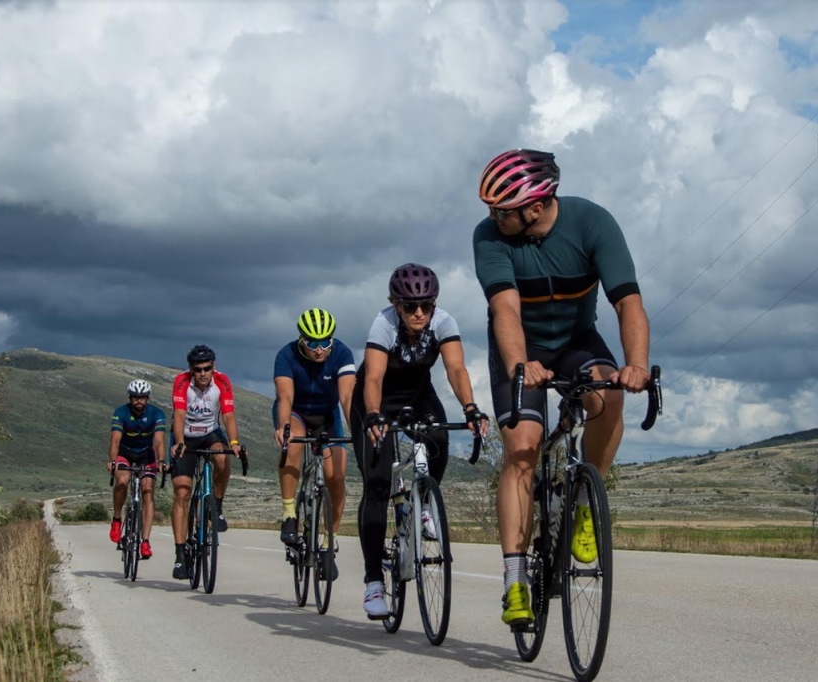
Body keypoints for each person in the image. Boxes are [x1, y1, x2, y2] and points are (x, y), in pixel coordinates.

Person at [473, 149, 651, 628]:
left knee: (607, 393)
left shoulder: (592, 222)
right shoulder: (489, 236)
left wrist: (635, 365)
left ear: (535, 206)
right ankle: (514, 579)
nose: (492, 218)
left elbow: (627, 301)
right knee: (523, 450)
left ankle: (585, 502)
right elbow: (505, 310)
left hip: (576, 340)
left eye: (501, 210)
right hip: (519, 349)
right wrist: (520, 364)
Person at [351, 263, 488, 620]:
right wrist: (373, 414)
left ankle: (425, 504)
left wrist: (470, 407)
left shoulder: (443, 321)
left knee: (439, 435)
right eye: (410, 306)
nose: (418, 313)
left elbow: (456, 369)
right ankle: (372, 584)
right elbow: (375, 377)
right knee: (378, 485)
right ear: (395, 303)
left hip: (417, 394)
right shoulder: (383, 324)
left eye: (425, 306)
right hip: (375, 398)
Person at [273, 308, 356, 580]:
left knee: (337, 476)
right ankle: (288, 514)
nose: (320, 350)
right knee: (293, 443)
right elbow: (284, 396)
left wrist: (358, 430)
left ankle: (328, 544)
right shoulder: (286, 355)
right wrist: (284, 427)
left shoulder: (342, 354)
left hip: (327, 414)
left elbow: (347, 397)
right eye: (312, 343)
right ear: (301, 339)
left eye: (325, 343)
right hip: (296, 412)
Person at [169, 344, 248, 580]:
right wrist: (180, 442)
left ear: (214, 367)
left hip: (210, 433)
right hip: (186, 436)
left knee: (223, 457)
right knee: (181, 493)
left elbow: (228, 415)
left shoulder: (222, 382)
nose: (203, 374)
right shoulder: (182, 382)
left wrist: (234, 441)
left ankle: (218, 507)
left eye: (207, 368)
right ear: (191, 369)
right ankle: (180, 555)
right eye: (198, 369)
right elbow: (180, 415)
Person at [107, 379, 167, 559]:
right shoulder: (121, 412)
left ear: (147, 398)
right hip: (125, 453)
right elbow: (115, 440)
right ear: (130, 398)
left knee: (148, 489)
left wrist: (162, 460)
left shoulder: (156, 413)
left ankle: (145, 541)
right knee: (123, 481)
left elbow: (158, 441)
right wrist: (112, 460)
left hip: (146, 454)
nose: (138, 401)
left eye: (142, 398)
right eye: (135, 397)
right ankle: (117, 519)